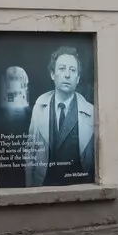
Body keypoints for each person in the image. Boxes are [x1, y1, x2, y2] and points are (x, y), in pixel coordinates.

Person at [24, 47, 96, 187]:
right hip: (44, 187)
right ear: (52, 74)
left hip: (79, 190)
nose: (67, 75)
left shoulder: (91, 112)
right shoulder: (39, 106)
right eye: (62, 68)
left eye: (73, 70)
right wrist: (29, 190)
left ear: (78, 78)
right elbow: (30, 152)